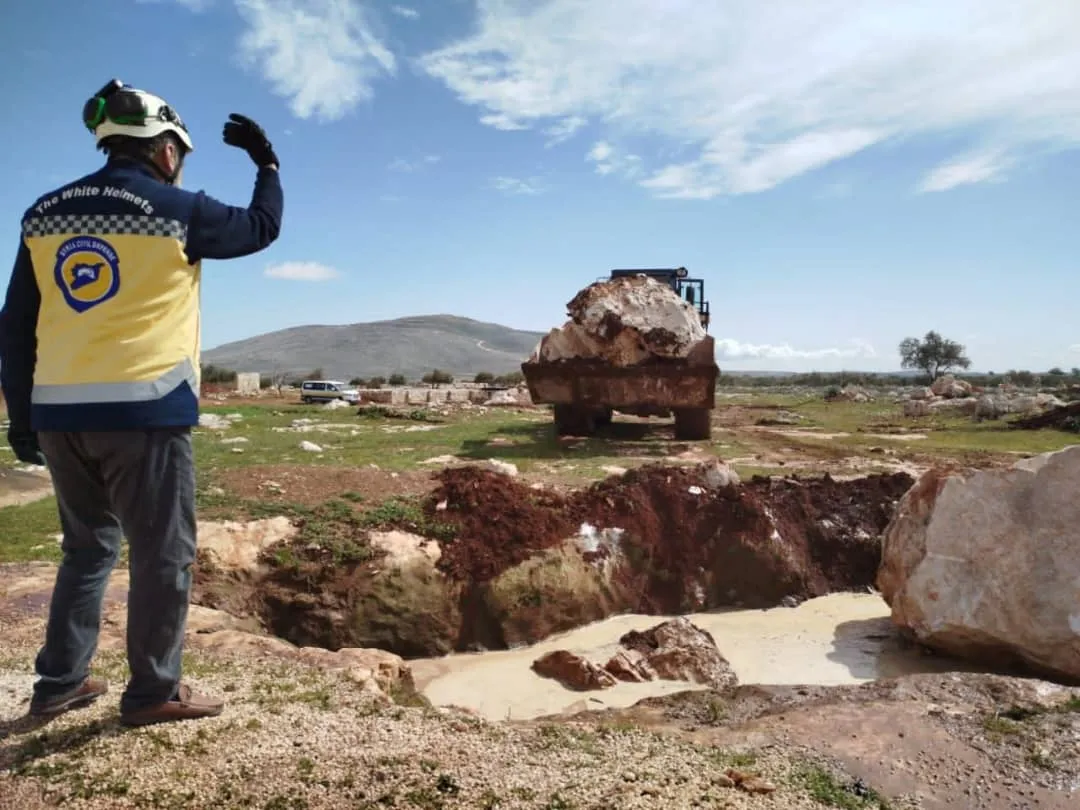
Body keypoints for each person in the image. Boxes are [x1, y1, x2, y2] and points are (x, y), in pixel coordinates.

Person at [0, 79, 283, 727]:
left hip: (59, 417)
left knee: (86, 549)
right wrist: (267, 166)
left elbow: (15, 322)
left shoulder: (43, 214)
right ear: (163, 148)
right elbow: (262, 228)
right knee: (161, 555)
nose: (178, 162)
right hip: (144, 413)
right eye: (178, 151)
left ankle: (59, 684)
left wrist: (20, 412)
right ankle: (153, 690)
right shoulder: (177, 209)